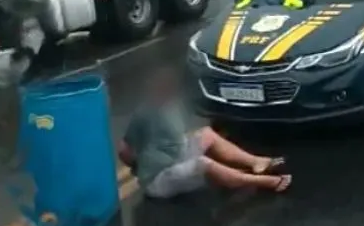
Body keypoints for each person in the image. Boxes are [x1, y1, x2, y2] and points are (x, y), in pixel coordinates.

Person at [118, 68, 291, 198]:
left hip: (174, 158)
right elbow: (123, 149)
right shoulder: (144, 114)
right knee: (203, 163)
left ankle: (256, 162)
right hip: (157, 180)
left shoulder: (170, 107)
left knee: (207, 133)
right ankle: (263, 182)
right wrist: (138, 167)